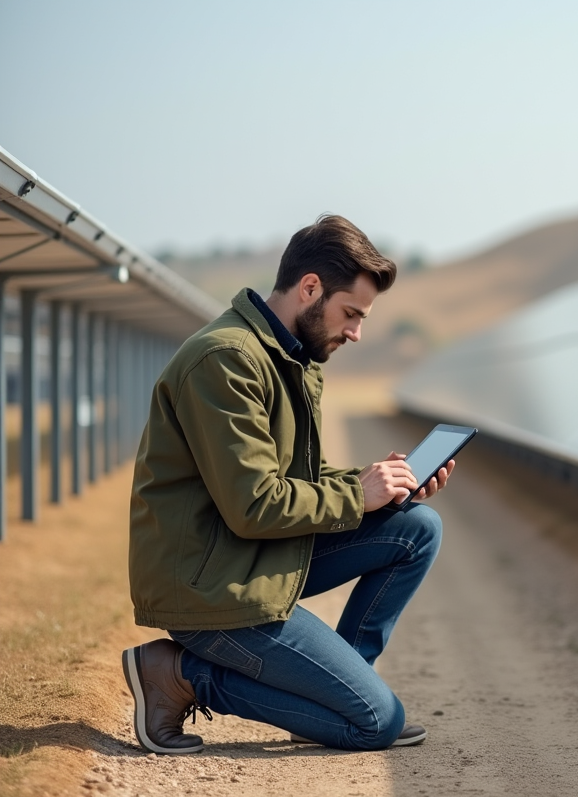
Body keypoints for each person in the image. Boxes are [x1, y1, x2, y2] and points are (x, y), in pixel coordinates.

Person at [124, 214, 452, 754]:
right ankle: (180, 674)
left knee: (416, 526)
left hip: (247, 557)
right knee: (376, 724)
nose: (356, 332)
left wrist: (380, 482)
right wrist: (357, 494)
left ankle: (337, 693)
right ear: (310, 288)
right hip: (211, 588)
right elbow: (254, 503)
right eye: (352, 314)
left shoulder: (289, 359)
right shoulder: (225, 360)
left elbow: (296, 482)